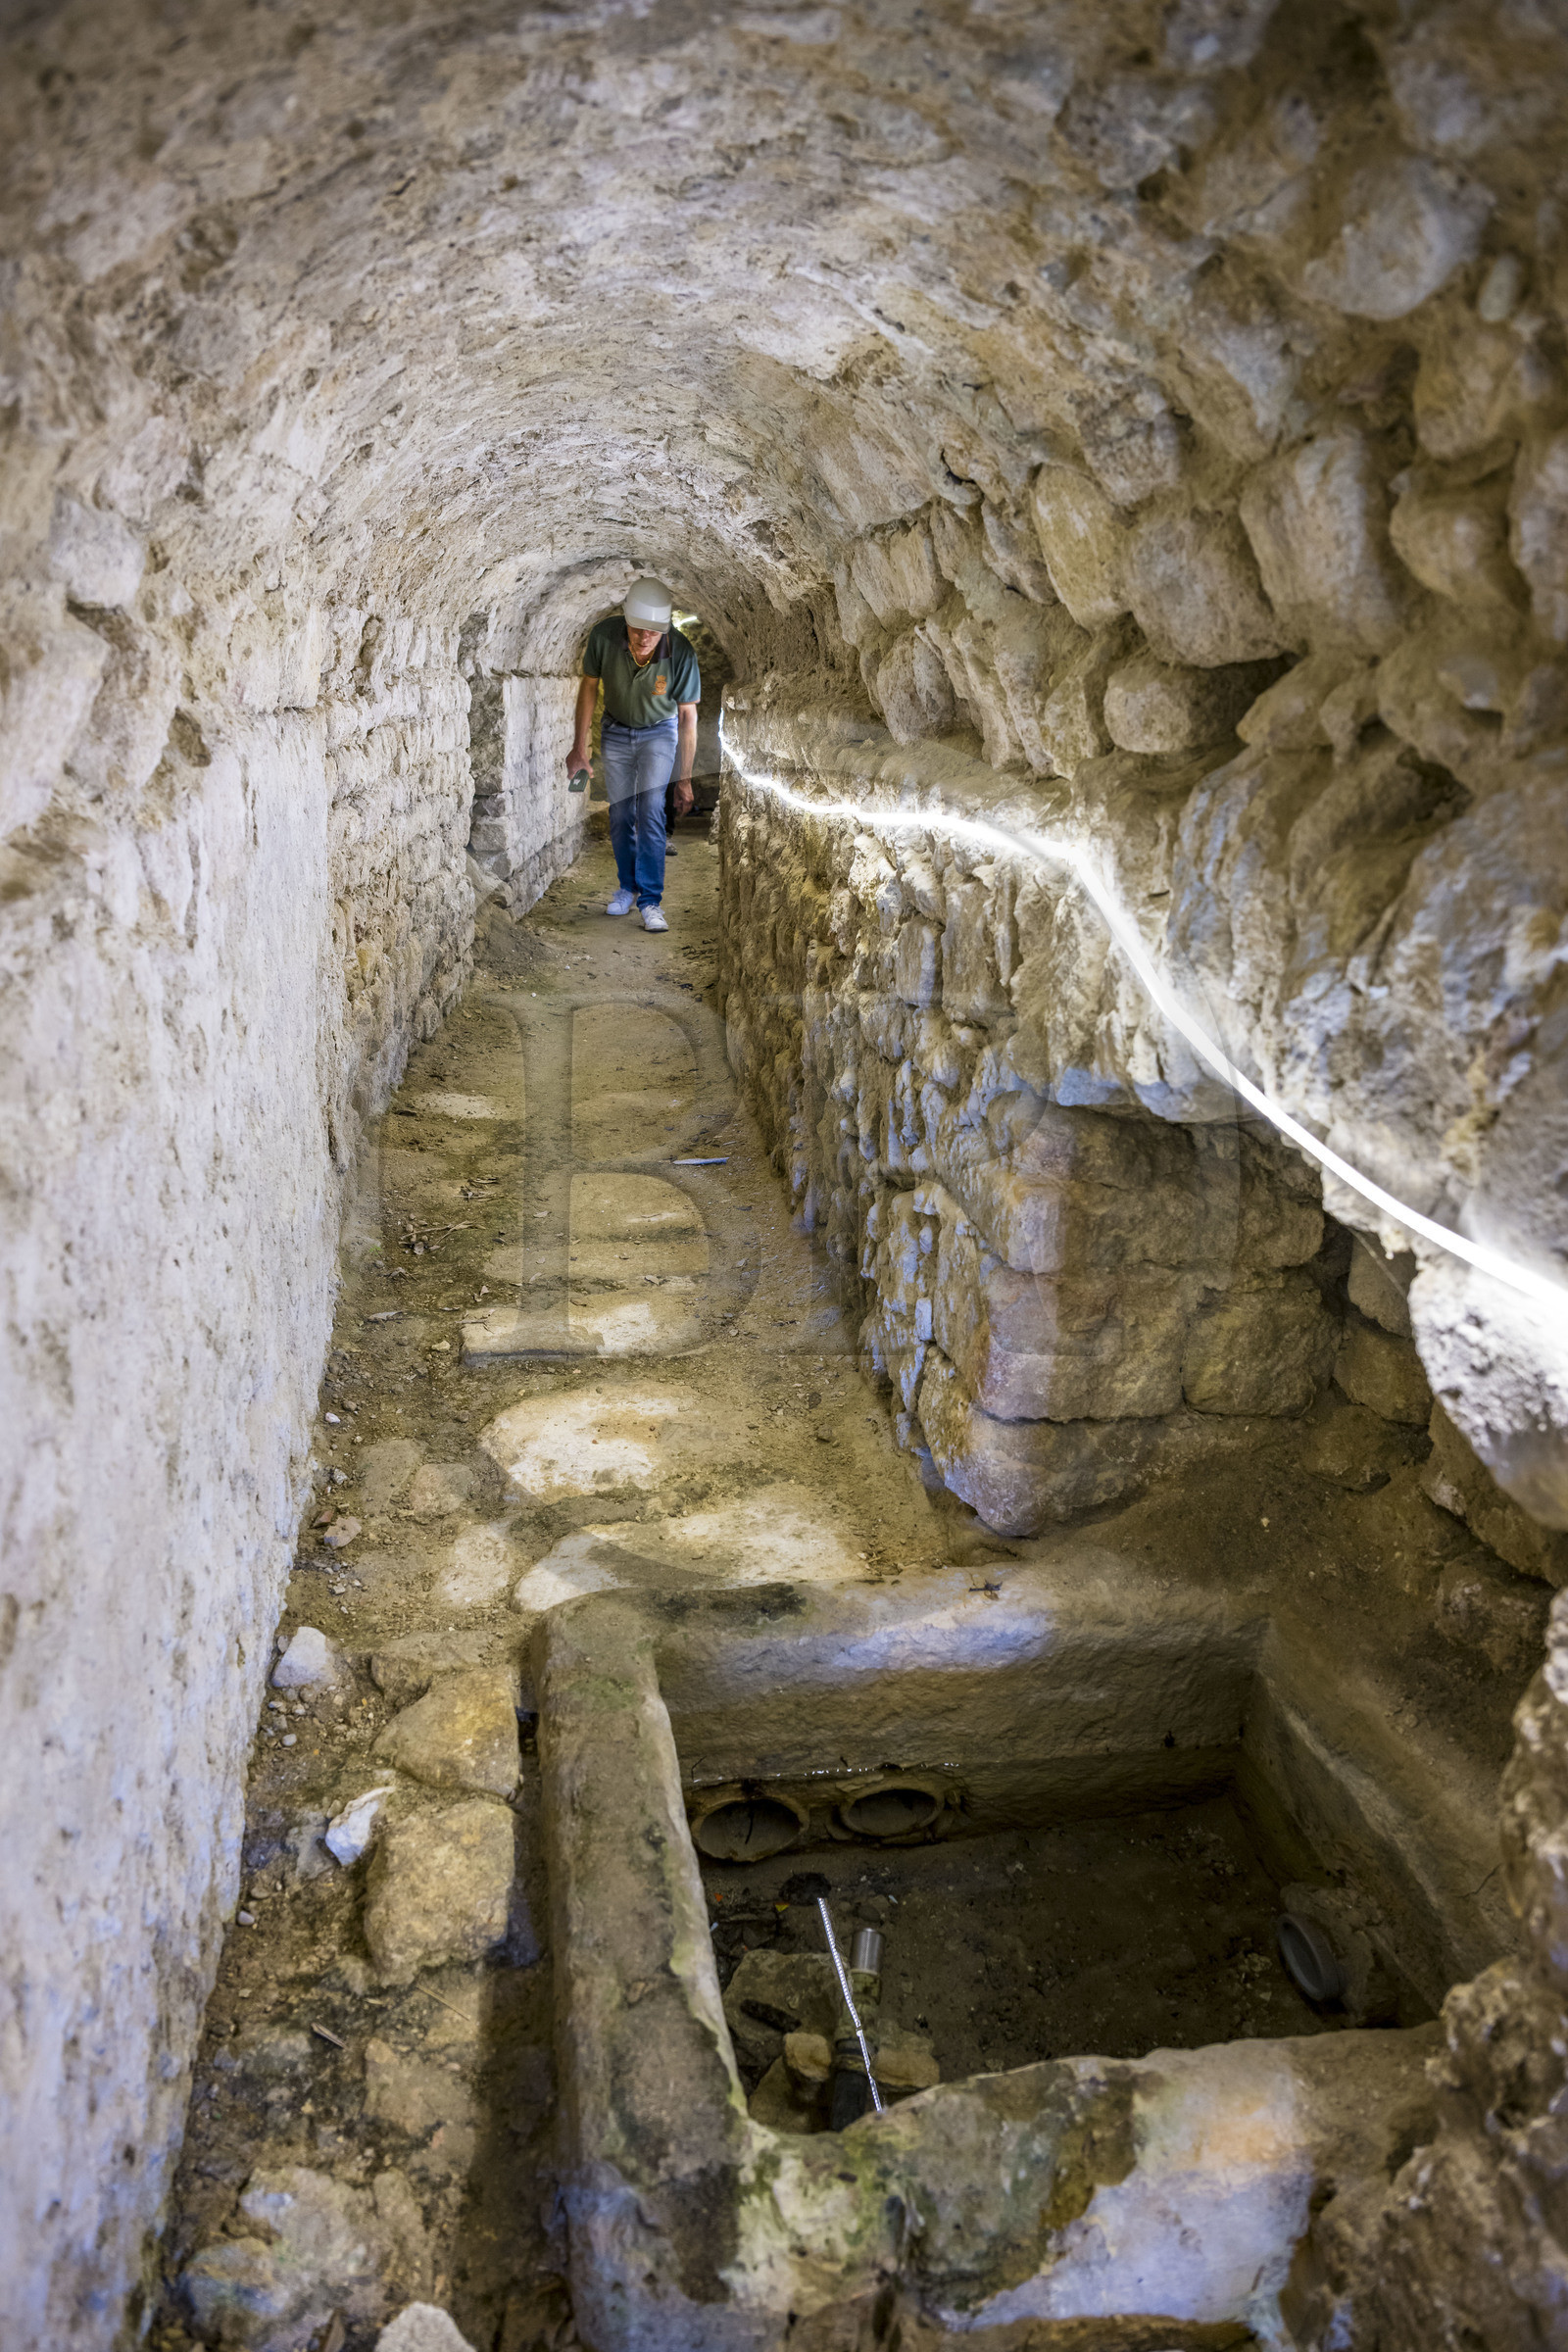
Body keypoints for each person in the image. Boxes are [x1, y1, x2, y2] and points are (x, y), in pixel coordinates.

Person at [568, 578, 700, 933]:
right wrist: (580, 747)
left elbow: (688, 717)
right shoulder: (603, 637)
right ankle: (627, 887)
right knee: (621, 810)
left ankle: (650, 900)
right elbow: (589, 688)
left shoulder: (681, 652)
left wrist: (684, 779)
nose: (644, 638)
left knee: (651, 807)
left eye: (653, 633)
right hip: (616, 728)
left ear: (665, 630)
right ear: (625, 620)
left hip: (660, 730)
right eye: (638, 629)